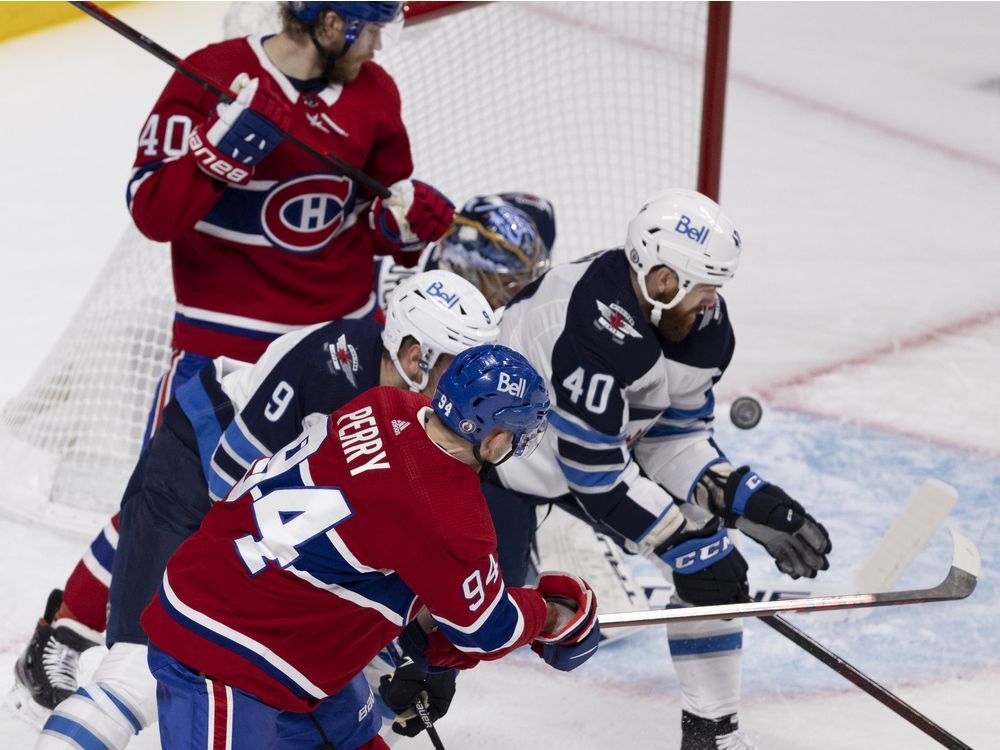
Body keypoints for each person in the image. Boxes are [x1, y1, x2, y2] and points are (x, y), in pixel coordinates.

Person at [14, 1, 457, 714]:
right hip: (223, 348)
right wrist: (220, 155)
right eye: (370, 26)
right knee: (176, 501)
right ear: (329, 20)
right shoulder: (213, 78)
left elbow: (370, 216)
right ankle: (66, 627)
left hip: (338, 350)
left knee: (323, 504)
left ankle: (327, 658)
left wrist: (405, 226)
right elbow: (153, 211)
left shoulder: (375, 95)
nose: (378, 44)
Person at [32, 271, 500, 750]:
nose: (471, 389)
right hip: (199, 458)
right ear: (412, 355)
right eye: (456, 367)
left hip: (273, 512)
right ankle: (59, 634)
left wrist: (421, 656)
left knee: (351, 694)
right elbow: (230, 489)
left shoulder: (436, 425)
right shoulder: (325, 366)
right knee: (138, 666)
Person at [482, 188, 832, 750]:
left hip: (575, 456)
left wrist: (746, 499)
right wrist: (676, 541)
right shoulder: (593, 326)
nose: (712, 303)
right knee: (462, 615)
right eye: (704, 288)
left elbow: (671, 437)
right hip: (492, 463)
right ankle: (355, 714)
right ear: (662, 280)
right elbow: (594, 474)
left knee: (717, 571)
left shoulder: (696, 328)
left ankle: (710, 734)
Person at [141, 344, 600, 750]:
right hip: (221, 650)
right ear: (496, 440)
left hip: (276, 626)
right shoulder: (447, 514)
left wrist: (427, 651)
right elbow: (487, 628)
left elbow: (386, 546)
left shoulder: (386, 404)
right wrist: (554, 615)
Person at [374, 191, 556, 311]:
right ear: (470, 274)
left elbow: (542, 211)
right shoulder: (427, 311)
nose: (520, 289)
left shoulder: (539, 218)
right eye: (509, 282)